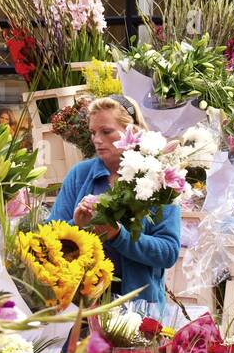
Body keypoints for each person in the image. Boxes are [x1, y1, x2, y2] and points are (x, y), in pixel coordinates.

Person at [48, 95, 182, 304]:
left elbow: (168, 252)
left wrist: (118, 236)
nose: (97, 139)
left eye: (106, 131)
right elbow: (48, 236)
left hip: (138, 309)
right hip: (79, 306)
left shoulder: (157, 178)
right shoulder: (79, 175)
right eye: (93, 132)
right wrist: (77, 226)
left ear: (133, 131)